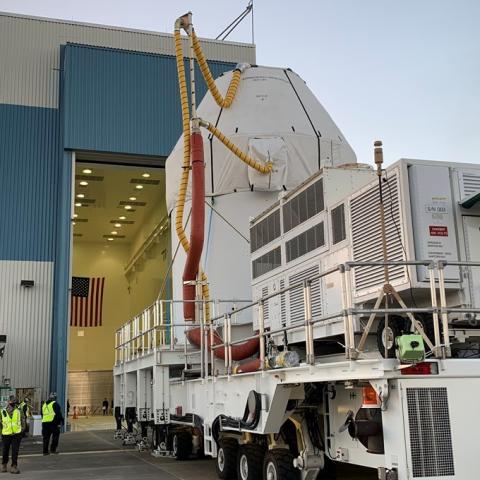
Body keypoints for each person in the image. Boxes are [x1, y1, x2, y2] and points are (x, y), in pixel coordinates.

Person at [1, 395, 25, 474]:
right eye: (12, 402)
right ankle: (4, 464)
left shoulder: (19, 410)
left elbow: (23, 420)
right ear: (9, 401)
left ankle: (14, 466)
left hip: (16, 434)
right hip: (6, 434)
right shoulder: (3, 411)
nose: (13, 403)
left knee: (15, 451)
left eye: (14, 402)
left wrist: (22, 430)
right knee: (5, 451)